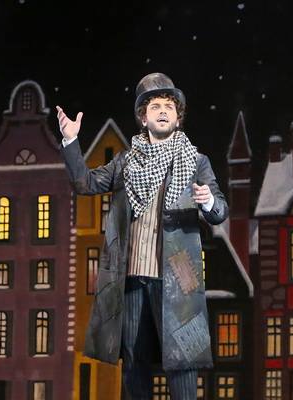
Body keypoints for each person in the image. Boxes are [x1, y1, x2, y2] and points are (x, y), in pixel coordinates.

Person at [57, 72, 228, 399]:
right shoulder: (126, 162)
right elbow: (85, 184)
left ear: (178, 118)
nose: (163, 111)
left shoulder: (195, 161)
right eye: (155, 106)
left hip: (178, 275)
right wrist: (70, 142)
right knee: (135, 362)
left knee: (182, 361)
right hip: (133, 276)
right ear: (143, 118)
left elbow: (220, 211)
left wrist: (207, 202)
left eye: (169, 106)